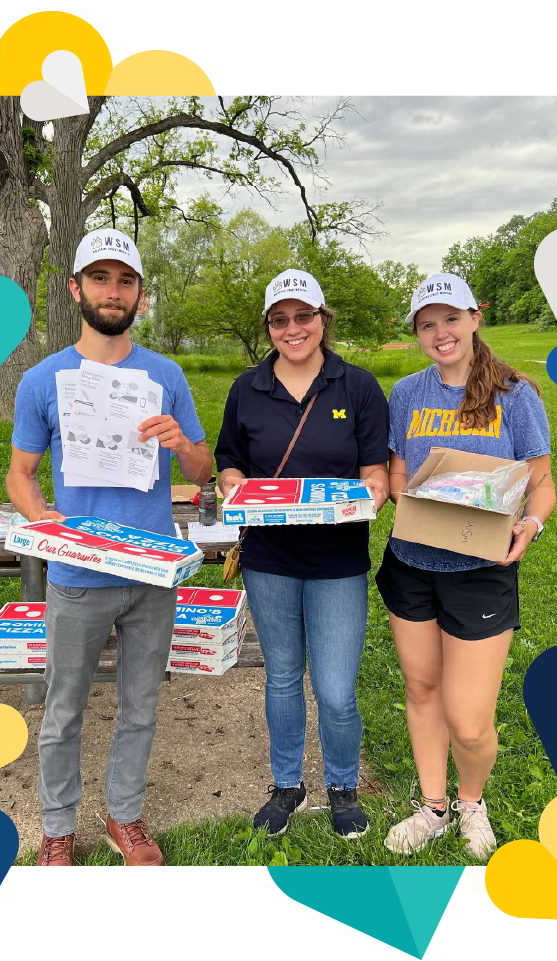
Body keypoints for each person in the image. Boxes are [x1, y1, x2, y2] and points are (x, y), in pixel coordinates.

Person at [7, 228, 213, 866]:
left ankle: (125, 817)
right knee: (63, 710)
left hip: (151, 573)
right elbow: (19, 474)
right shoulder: (43, 380)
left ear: (140, 294)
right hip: (77, 575)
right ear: (75, 288)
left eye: (125, 280)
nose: (112, 290)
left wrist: (182, 445)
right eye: (99, 277)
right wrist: (44, 519)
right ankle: (57, 828)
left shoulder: (165, 374)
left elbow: (204, 472)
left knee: (140, 706)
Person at [378, 273, 556, 860]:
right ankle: (432, 805)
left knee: (471, 720)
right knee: (422, 688)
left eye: (450, 318)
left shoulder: (515, 395)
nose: (440, 332)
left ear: (475, 318)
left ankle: (471, 801)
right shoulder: (406, 393)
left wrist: (529, 524)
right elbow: (398, 471)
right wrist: (415, 500)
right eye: (427, 324)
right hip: (413, 561)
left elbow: (542, 483)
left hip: (480, 570)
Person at [215, 269, 390, 840]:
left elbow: (375, 475)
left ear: (322, 319)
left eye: (304, 316)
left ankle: (342, 785)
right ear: (269, 326)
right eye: (280, 319)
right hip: (269, 558)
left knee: (336, 689)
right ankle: (287, 784)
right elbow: (229, 461)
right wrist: (235, 488)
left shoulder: (357, 387)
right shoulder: (247, 388)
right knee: (284, 678)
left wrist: (369, 496)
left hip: (338, 560)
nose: (293, 329)